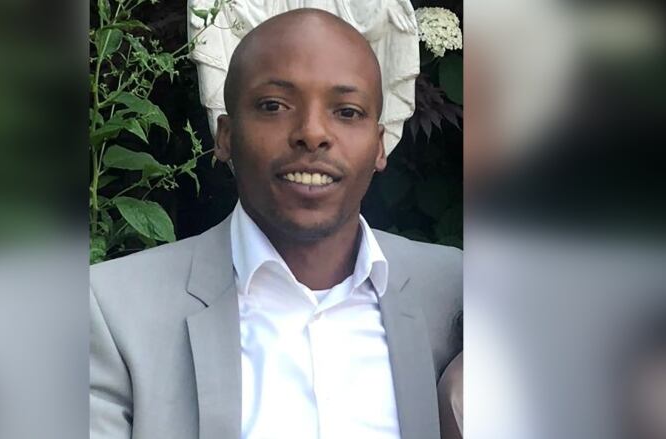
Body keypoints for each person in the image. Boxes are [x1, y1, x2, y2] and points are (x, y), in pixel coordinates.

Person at [90, 8, 462, 439]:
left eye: (347, 111)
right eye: (274, 106)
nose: (312, 132)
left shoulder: (457, 291)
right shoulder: (115, 312)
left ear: (380, 146)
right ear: (225, 136)